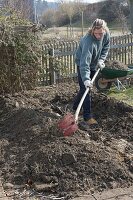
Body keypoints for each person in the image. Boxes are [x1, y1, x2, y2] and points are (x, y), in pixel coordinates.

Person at [73, 18, 110, 127]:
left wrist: (101, 59)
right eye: (96, 33)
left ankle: (75, 108)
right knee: (86, 88)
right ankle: (87, 117)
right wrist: (86, 79)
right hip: (82, 64)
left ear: (104, 30)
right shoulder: (88, 41)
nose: (99, 36)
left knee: (83, 89)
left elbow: (105, 47)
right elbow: (85, 63)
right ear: (93, 30)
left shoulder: (106, 34)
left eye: (101, 33)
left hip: (94, 63)